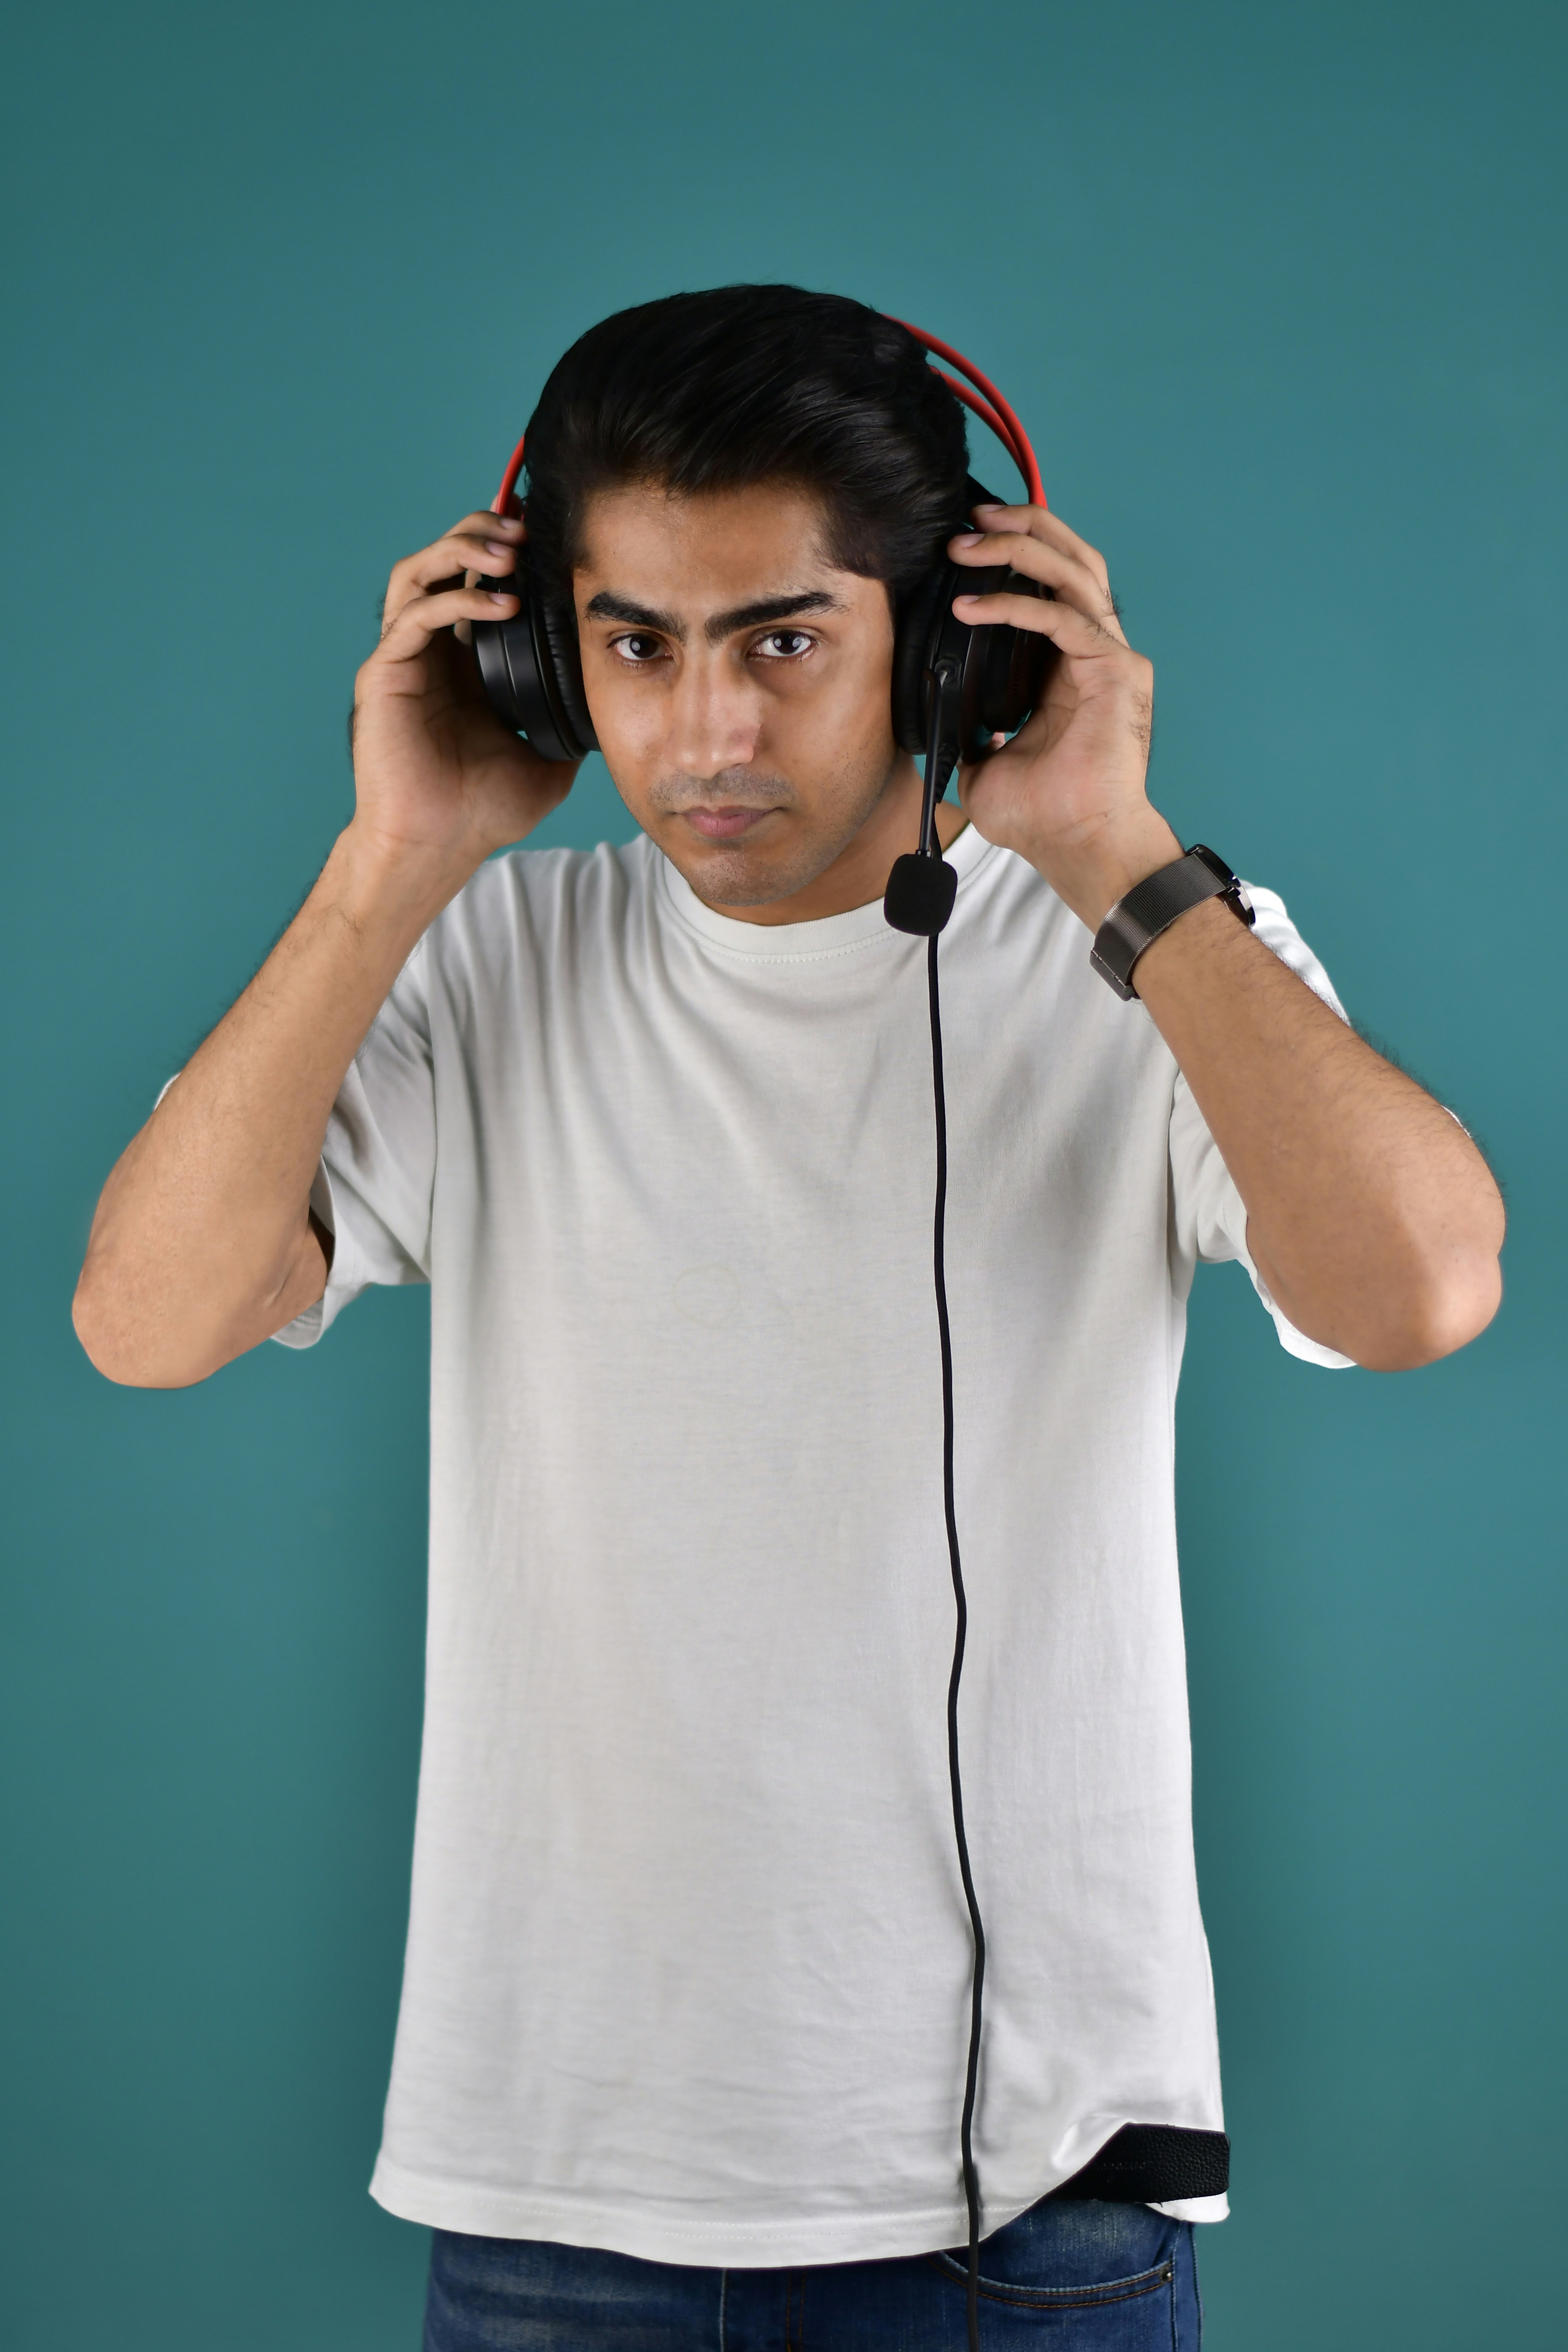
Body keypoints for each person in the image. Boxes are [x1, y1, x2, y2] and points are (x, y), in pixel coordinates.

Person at [73, 286, 1504, 2349]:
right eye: (634, 647)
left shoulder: (1150, 951)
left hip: (1028, 2213)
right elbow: (147, 1319)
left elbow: (1418, 1290)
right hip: (553, 2191)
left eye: (784, 642)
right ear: (533, 650)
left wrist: (1112, 848)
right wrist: (390, 864)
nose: (705, 735)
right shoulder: (490, 966)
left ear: (951, 646)